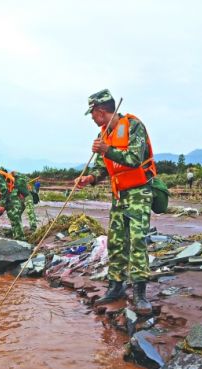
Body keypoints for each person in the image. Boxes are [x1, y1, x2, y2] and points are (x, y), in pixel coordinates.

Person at [75, 89, 157, 315]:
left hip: (139, 193)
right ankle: (116, 287)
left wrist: (107, 150)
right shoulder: (104, 133)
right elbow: (103, 168)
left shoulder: (133, 126)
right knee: (117, 241)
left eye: (92, 113)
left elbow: (134, 159)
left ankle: (140, 293)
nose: (92, 118)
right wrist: (90, 178)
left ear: (100, 111)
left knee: (137, 241)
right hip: (119, 195)